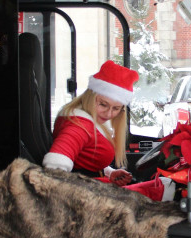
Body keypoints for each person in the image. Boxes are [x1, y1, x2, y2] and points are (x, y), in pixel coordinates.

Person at [43, 60, 174, 201]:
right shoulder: (78, 125)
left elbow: (83, 161)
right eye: (103, 104)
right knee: (166, 187)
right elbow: (55, 167)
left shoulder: (88, 121)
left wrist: (108, 173)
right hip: (92, 199)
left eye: (116, 108)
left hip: (97, 189)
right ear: (90, 97)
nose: (109, 114)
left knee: (163, 186)